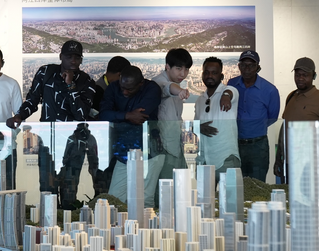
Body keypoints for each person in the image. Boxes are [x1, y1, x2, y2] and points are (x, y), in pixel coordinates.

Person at [97, 65, 161, 204]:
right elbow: (103, 115)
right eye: (122, 87)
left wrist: (117, 115)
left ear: (141, 83)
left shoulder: (152, 88)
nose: (125, 92)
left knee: (144, 199)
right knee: (114, 198)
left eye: (130, 89)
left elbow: (140, 117)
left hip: (149, 150)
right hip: (123, 152)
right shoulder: (114, 88)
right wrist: (127, 115)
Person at [7, 40, 95, 128]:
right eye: (69, 57)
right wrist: (19, 116)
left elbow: (81, 115)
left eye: (77, 58)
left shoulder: (87, 81)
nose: (73, 61)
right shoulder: (45, 72)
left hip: (74, 137)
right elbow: (32, 101)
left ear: (81, 60)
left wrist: (71, 85)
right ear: (61, 57)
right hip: (47, 134)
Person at [227, 49, 280, 181]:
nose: (247, 69)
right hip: (235, 144)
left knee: (258, 185)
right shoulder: (232, 84)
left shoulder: (270, 90)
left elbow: (272, 116)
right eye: (244, 65)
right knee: (235, 185)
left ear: (258, 67)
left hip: (258, 145)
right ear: (239, 66)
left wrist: (254, 127)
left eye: (251, 65)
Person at [194, 57, 240, 175]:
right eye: (207, 72)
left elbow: (232, 92)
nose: (210, 76)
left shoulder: (229, 91)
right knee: (204, 194)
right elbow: (195, 127)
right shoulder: (200, 100)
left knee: (229, 194)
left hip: (225, 158)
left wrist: (225, 95)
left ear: (221, 76)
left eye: (214, 73)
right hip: (203, 160)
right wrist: (198, 127)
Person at [152, 48, 193, 178]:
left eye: (186, 69)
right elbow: (168, 87)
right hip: (164, 146)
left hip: (177, 144)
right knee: (166, 188)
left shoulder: (176, 82)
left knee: (181, 186)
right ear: (167, 67)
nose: (183, 73)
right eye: (179, 68)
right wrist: (180, 91)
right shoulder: (158, 82)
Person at [60, 123, 99, 208]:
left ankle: (70, 205)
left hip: (81, 166)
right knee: (71, 186)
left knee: (72, 186)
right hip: (76, 166)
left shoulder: (76, 138)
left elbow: (67, 153)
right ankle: (70, 205)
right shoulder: (74, 138)